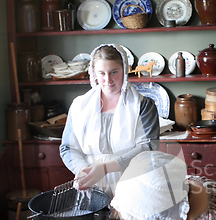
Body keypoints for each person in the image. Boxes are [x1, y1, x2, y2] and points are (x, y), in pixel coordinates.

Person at [60, 43, 160, 197]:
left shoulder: (143, 105)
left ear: (125, 70)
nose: (108, 80)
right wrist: (82, 170)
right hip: (90, 185)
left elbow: (148, 147)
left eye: (114, 72)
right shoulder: (79, 105)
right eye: (101, 73)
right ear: (93, 73)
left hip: (132, 183)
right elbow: (68, 147)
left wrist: (105, 168)